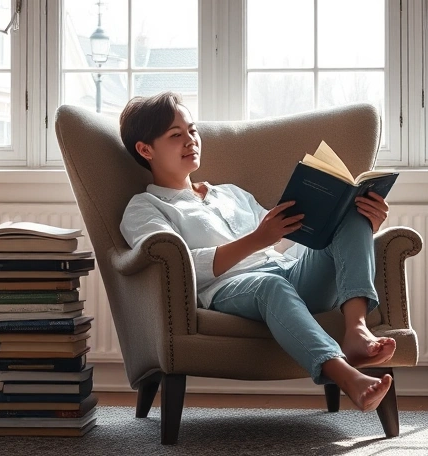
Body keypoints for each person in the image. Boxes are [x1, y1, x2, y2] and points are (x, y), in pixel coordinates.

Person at [118, 92, 397, 412]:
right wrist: (256, 239)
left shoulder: (231, 194)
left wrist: (356, 230)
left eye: (192, 130)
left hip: (289, 273)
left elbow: (284, 244)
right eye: (175, 135)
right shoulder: (144, 208)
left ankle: (356, 330)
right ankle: (346, 376)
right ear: (145, 149)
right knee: (269, 285)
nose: (190, 140)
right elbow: (179, 267)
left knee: (350, 213)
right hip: (228, 289)